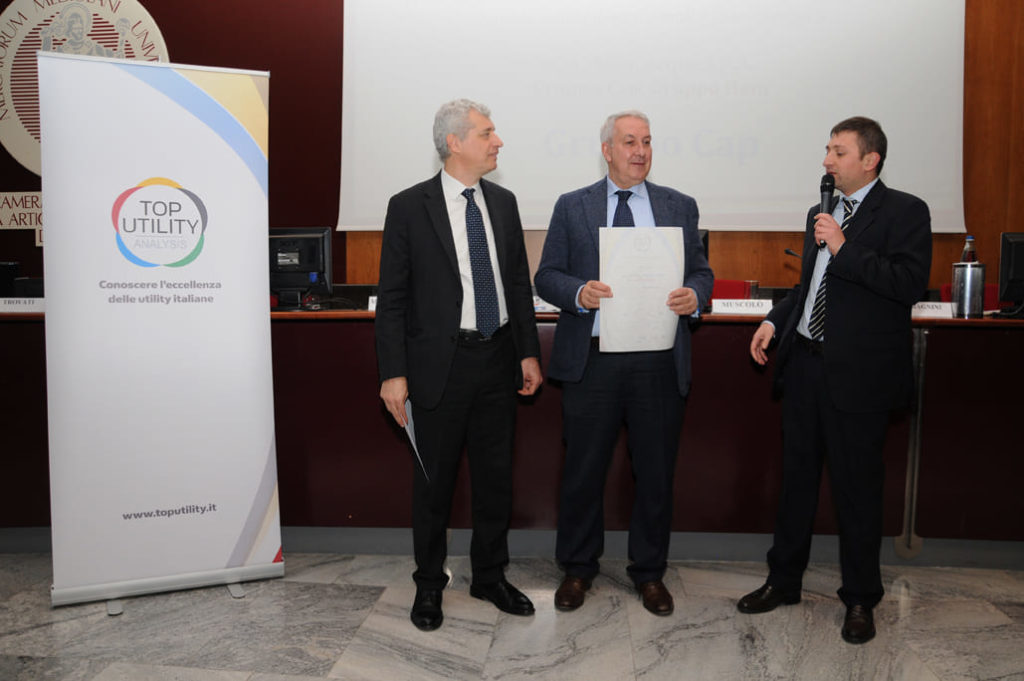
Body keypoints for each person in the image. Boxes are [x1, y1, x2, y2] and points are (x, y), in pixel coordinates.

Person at [738, 116, 932, 644]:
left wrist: (845, 247)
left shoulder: (906, 211)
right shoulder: (820, 212)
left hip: (860, 377)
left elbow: (907, 283)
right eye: (827, 149)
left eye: (838, 152)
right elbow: (810, 287)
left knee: (857, 492)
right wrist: (774, 320)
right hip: (805, 365)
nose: (827, 161)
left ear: (870, 160)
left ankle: (861, 599)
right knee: (796, 483)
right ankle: (783, 581)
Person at [534, 110, 713, 616]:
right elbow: (546, 275)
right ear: (607, 150)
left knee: (655, 474)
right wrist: (579, 292)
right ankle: (577, 569)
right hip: (593, 362)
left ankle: (650, 574)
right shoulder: (573, 206)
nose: (640, 151)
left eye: (647, 142)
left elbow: (702, 273)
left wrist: (694, 296)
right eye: (629, 142)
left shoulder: (680, 205)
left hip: (658, 361)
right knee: (583, 472)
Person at [375, 99, 542, 632]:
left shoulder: (504, 203)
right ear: (455, 142)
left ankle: (490, 576)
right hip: (437, 366)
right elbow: (392, 298)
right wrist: (393, 373)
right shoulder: (409, 206)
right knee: (434, 485)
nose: (498, 142)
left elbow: (516, 283)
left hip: (497, 358)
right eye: (487, 133)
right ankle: (429, 583)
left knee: (496, 480)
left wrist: (528, 351)